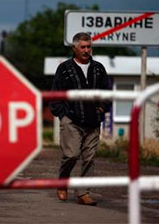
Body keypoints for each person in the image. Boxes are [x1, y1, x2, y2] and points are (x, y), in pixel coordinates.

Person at [49, 32, 111, 206]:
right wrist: (62, 114)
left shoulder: (99, 68)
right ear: (74, 48)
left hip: (93, 121)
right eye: (83, 47)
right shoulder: (65, 68)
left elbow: (107, 92)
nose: (86, 50)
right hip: (71, 120)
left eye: (89, 46)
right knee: (71, 155)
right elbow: (55, 95)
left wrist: (102, 109)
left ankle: (83, 193)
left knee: (89, 158)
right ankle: (62, 183)